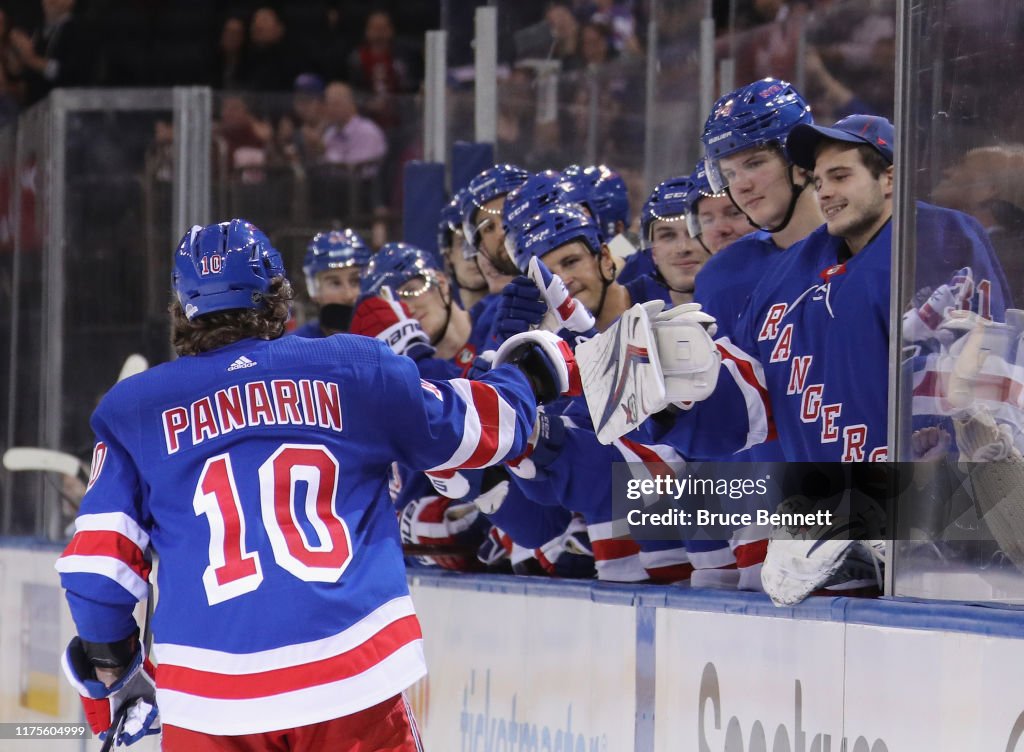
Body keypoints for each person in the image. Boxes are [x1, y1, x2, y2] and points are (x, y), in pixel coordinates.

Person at [54, 218, 578, 749]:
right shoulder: (352, 365)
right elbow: (483, 428)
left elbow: (97, 570)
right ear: (279, 295)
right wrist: (525, 373)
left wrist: (114, 667)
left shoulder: (134, 409)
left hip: (208, 698)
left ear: (183, 309)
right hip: (350, 673)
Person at [293, 227, 370, 338]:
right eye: (335, 283)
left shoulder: (387, 339)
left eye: (355, 281)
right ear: (314, 290)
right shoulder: (295, 348)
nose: (348, 295)